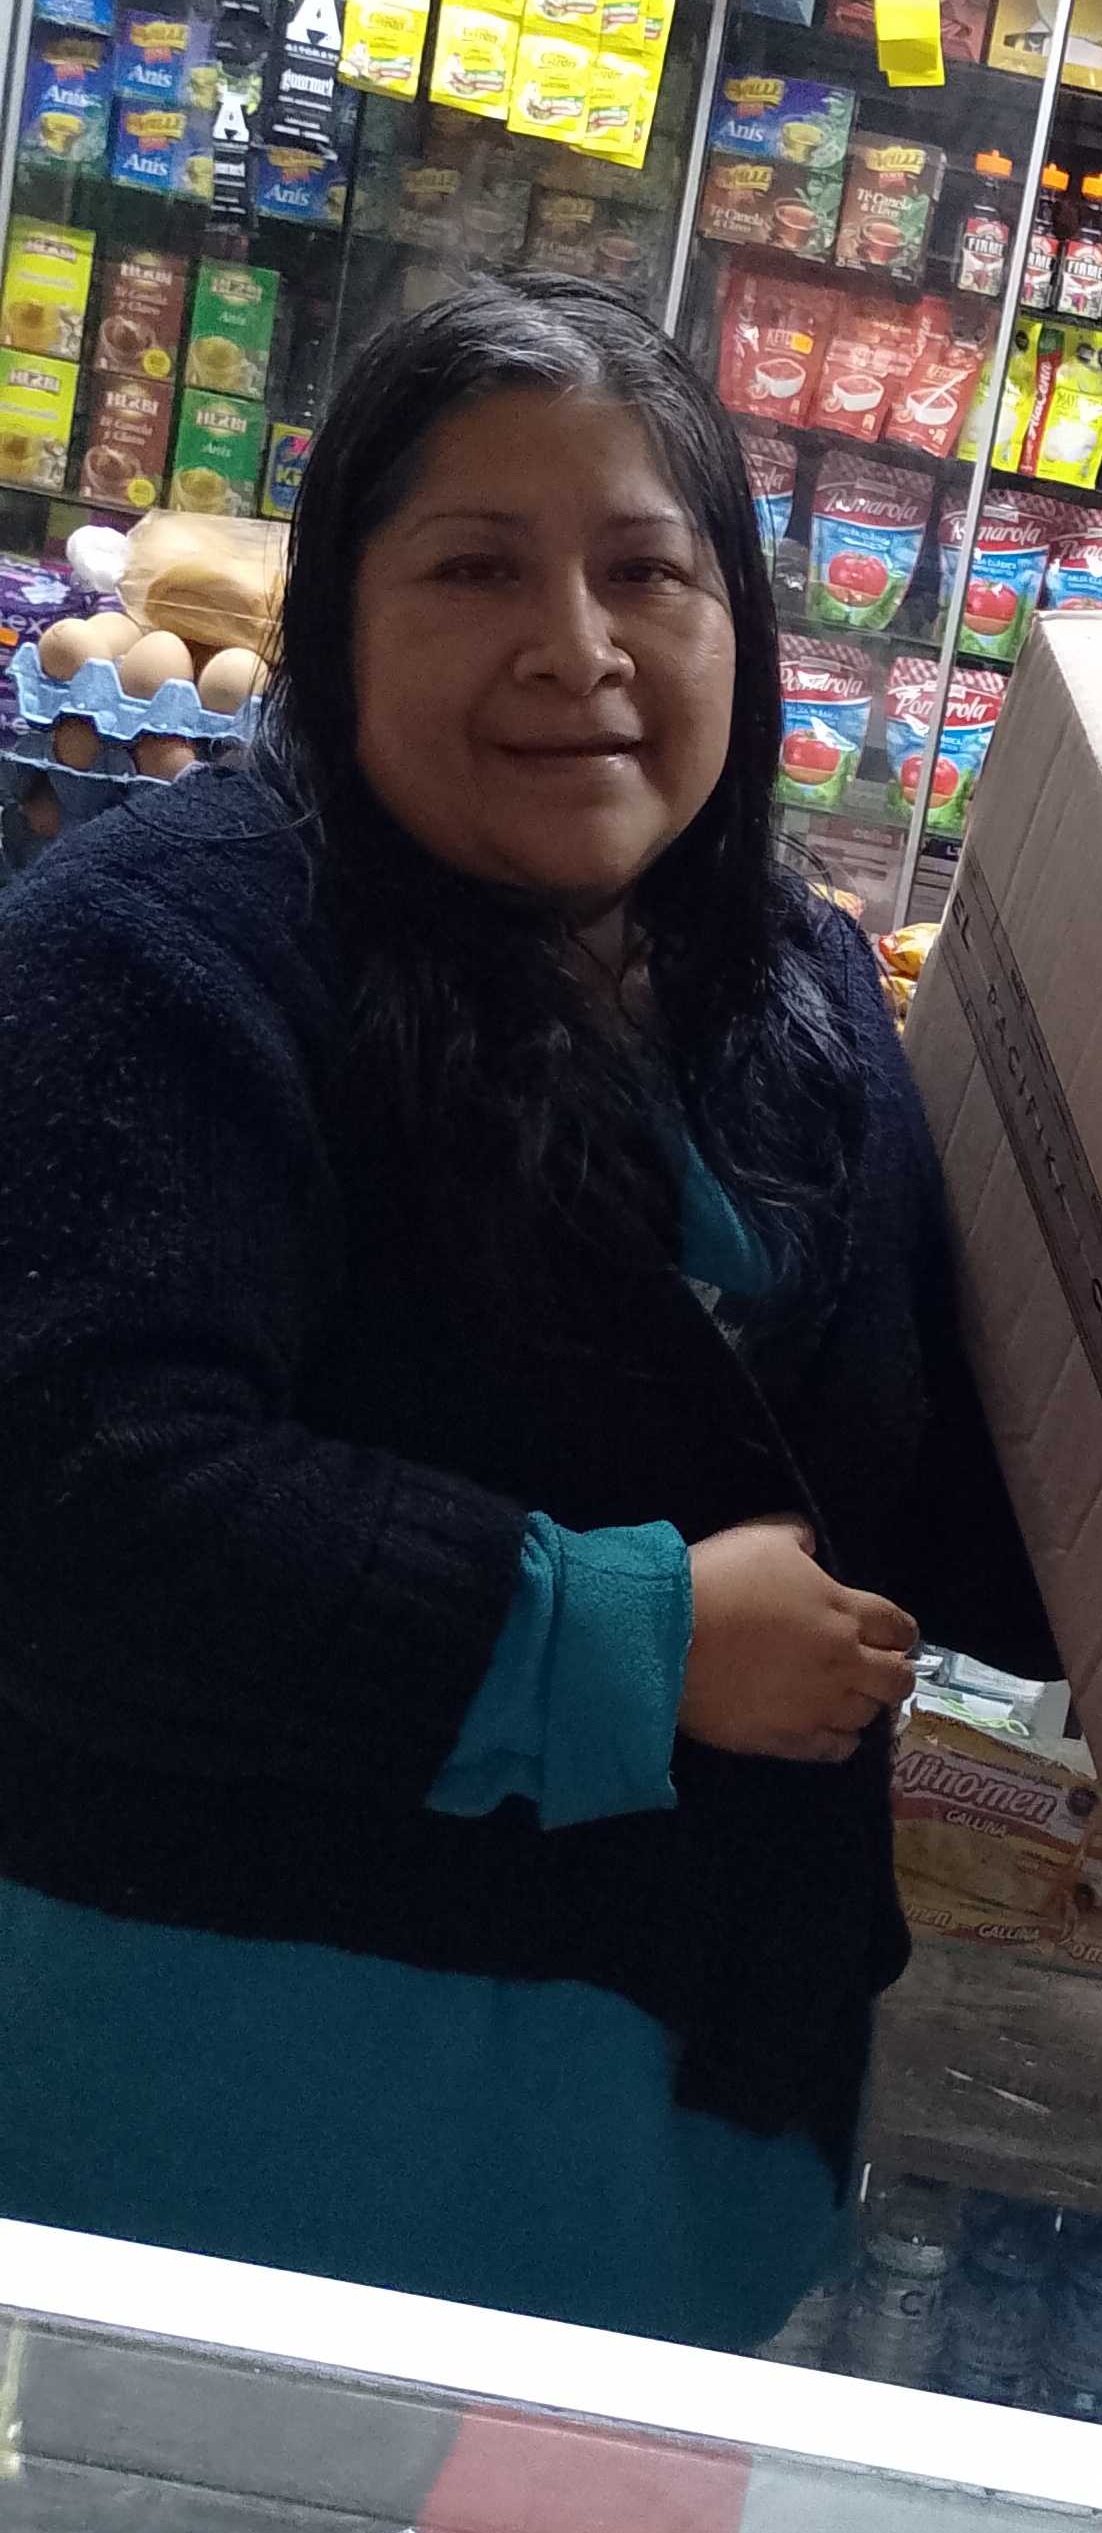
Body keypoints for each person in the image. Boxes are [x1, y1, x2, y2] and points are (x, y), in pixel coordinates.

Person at [0, 279, 1049, 2350]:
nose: (577, 647)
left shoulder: (799, 991)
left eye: (646, 572)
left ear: (737, 623)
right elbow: (82, 1496)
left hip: (665, 2184)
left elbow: (915, 1480)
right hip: (217, 2155)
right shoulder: (146, 956)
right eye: (476, 570)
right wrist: (618, 1640)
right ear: (339, 623)